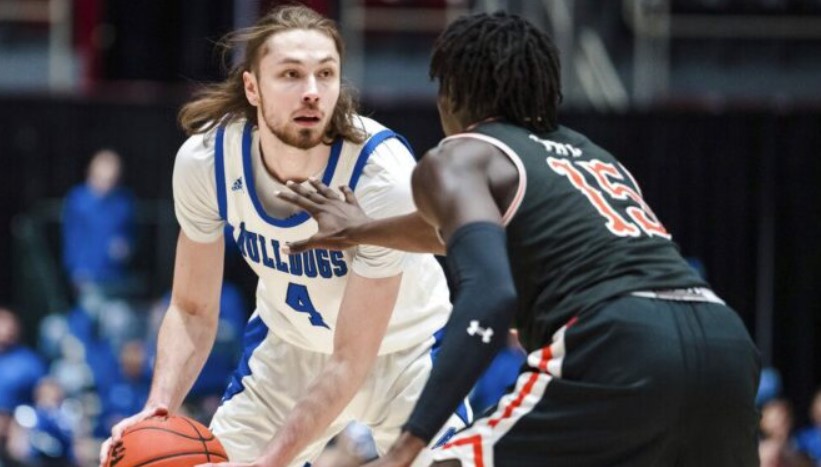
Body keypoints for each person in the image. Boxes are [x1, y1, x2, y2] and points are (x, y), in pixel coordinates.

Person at [277, 11, 762, 466]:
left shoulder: (460, 156)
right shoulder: (591, 155)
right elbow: (457, 234)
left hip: (618, 338)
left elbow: (491, 292)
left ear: (452, 93)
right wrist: (360, 229)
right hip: (725, 345)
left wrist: (411, 441)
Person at [99, 5, 468, 467]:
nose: (311, 92)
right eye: (290, 74)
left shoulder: (379, 176)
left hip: (408, 356)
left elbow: (351, 358)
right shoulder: (206, 162)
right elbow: (193, 309)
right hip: (289, 355)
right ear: (251, 86)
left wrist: (271, 460)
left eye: (326, 74)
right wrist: (158, 410)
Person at [62, 148, 135, 294]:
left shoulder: (123, 202)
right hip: (84, 274)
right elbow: (72, 238)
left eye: (111, 180)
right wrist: (75, 270)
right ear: (90, 175)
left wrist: (126, 248)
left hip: (114, 276)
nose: (106, 186)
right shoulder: (78, 201)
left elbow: (129, 235)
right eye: (102, 179)